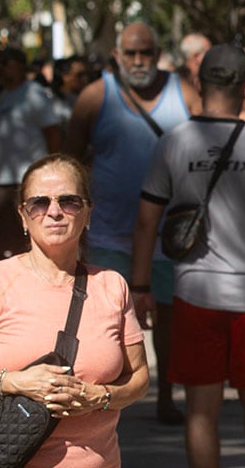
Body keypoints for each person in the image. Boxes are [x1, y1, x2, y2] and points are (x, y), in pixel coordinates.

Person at [132, 45, 245, 468]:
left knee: (201, 409)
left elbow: (146, 223)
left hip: (197, 293)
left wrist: (140, 286)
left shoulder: (173, 143)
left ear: (198, 82)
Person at [0, 154, 150, 468]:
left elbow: (138, 379)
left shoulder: (112, 285)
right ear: (23, 216)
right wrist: (19, 382)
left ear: (88, 213)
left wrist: (99, 397)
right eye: (39, 203)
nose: (54, 212)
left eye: (69, 201)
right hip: (3, 460)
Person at [65, 21, 200, 425]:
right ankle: (106, 399)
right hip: (110, 233)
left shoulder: (184, 92)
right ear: (117, 56)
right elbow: (68, 161)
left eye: (146, 53)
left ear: (157, 52)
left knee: (169, 318)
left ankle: (165, 396)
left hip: (170, 235)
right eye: (131, 54)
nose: (139, 61)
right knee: (107, 320)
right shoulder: (95, 96)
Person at [0, 47, 63, 260]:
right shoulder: (3, 96)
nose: (3, 68)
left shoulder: (34, 93)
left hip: (30, 178)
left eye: (7, 63)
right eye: (0, 64)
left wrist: (51, 169)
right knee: (7, 235)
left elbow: (53, 132)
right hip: (5, 179)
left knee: (33, 234)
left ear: (21, 65)